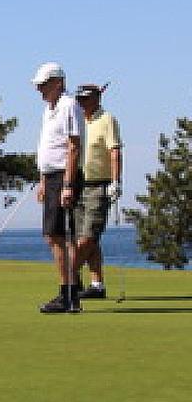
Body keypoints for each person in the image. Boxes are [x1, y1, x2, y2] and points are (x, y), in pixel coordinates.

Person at [32, 62, 85, 314]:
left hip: (64, 177)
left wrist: (67, 184)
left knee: (58, 236)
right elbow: (48, 147)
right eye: (38, 85)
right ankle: (70, 293)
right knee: (56, 236)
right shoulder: (48, 109)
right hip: (51, 177)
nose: (40, 90)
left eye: (43, 85)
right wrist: (43, 180)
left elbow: (74, 146)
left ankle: (68, 295)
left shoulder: (69, 105)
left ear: (58, 83)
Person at [73, 83, 123, 300]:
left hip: (99, 185)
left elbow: (115, 152)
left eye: (85, 99)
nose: (81, 103)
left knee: (88, 238)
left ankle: (68, 276)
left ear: (96, 98)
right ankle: (97, 285)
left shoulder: (107, 119)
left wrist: (115, 181)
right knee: (83, 239)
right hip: (76, 185)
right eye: (80, 99)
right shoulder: (78, 120)